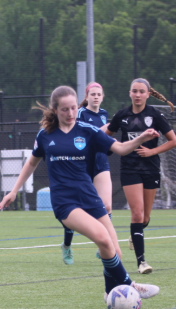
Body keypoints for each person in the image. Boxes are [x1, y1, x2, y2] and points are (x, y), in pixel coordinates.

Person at [0, 85, 160, 300]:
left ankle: (110, 292)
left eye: (74, 108)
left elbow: (119, 148)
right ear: (55, 110)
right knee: (102, 238)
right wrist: (13, 191)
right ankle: (132, 285)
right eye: (65, 109)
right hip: (65, 203)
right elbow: (31, 163)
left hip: (89, 197)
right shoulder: (45, 136)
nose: (71, 113)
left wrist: (140, 139)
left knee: (115, 252)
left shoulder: (87, 131)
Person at [105, 78, 176, 274]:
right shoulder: (122, 115)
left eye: (141, 92)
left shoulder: (155, 115)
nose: (137, 95)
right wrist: (103, 147)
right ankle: (142, 262)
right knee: (136, 214)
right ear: (129, 93)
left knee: (145, 217)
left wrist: (152, 152)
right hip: (129, 169)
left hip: (151, 168)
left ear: (148, 94)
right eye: (134, 91)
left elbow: (173, 141)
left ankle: (135, 233)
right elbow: (106, 134)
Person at [60, 82, 113, 264]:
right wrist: (103, 131)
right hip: (83, 166)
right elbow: (83, 136)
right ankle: (67, 245)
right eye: (93, 94)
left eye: (99, 94)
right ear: (87, 96)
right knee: (75, 209)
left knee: (106, 206)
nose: (96, 97)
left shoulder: (105, 114)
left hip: (101, 163)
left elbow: (105, 139)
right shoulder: (80, 114)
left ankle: (102, 245)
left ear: (103, 96)